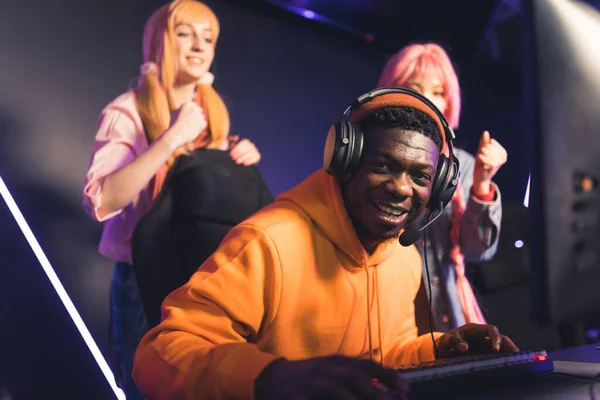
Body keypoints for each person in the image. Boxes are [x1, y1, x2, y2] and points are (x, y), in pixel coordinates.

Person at [132, 88, 519, 400]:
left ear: (437, 188)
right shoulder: (268, 242)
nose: (402, 187)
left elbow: (387, 354)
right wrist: (270, 377)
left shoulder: (403, 258)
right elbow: (161, 351)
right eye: (383, 166)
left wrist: (439, 351)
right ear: (345, 161)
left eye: (419, 176)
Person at [82, 1, 262, 398]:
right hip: (143, 280)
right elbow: (102, 200)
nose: (198, 46)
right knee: (146, 388)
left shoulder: (211, 112)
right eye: (185, 33)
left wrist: (236, 154)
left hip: (201, 280)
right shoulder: (126, 112)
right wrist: (170, 139)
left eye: (208, 37)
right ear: (160, 41)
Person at [378, 43, 508, 331]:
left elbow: (477, 251)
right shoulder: (371, 159)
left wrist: (482, 185)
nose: (428, 100)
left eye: (438, 92)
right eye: (416, 87)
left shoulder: (461, 165)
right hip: (384, 314)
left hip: (447, 317)